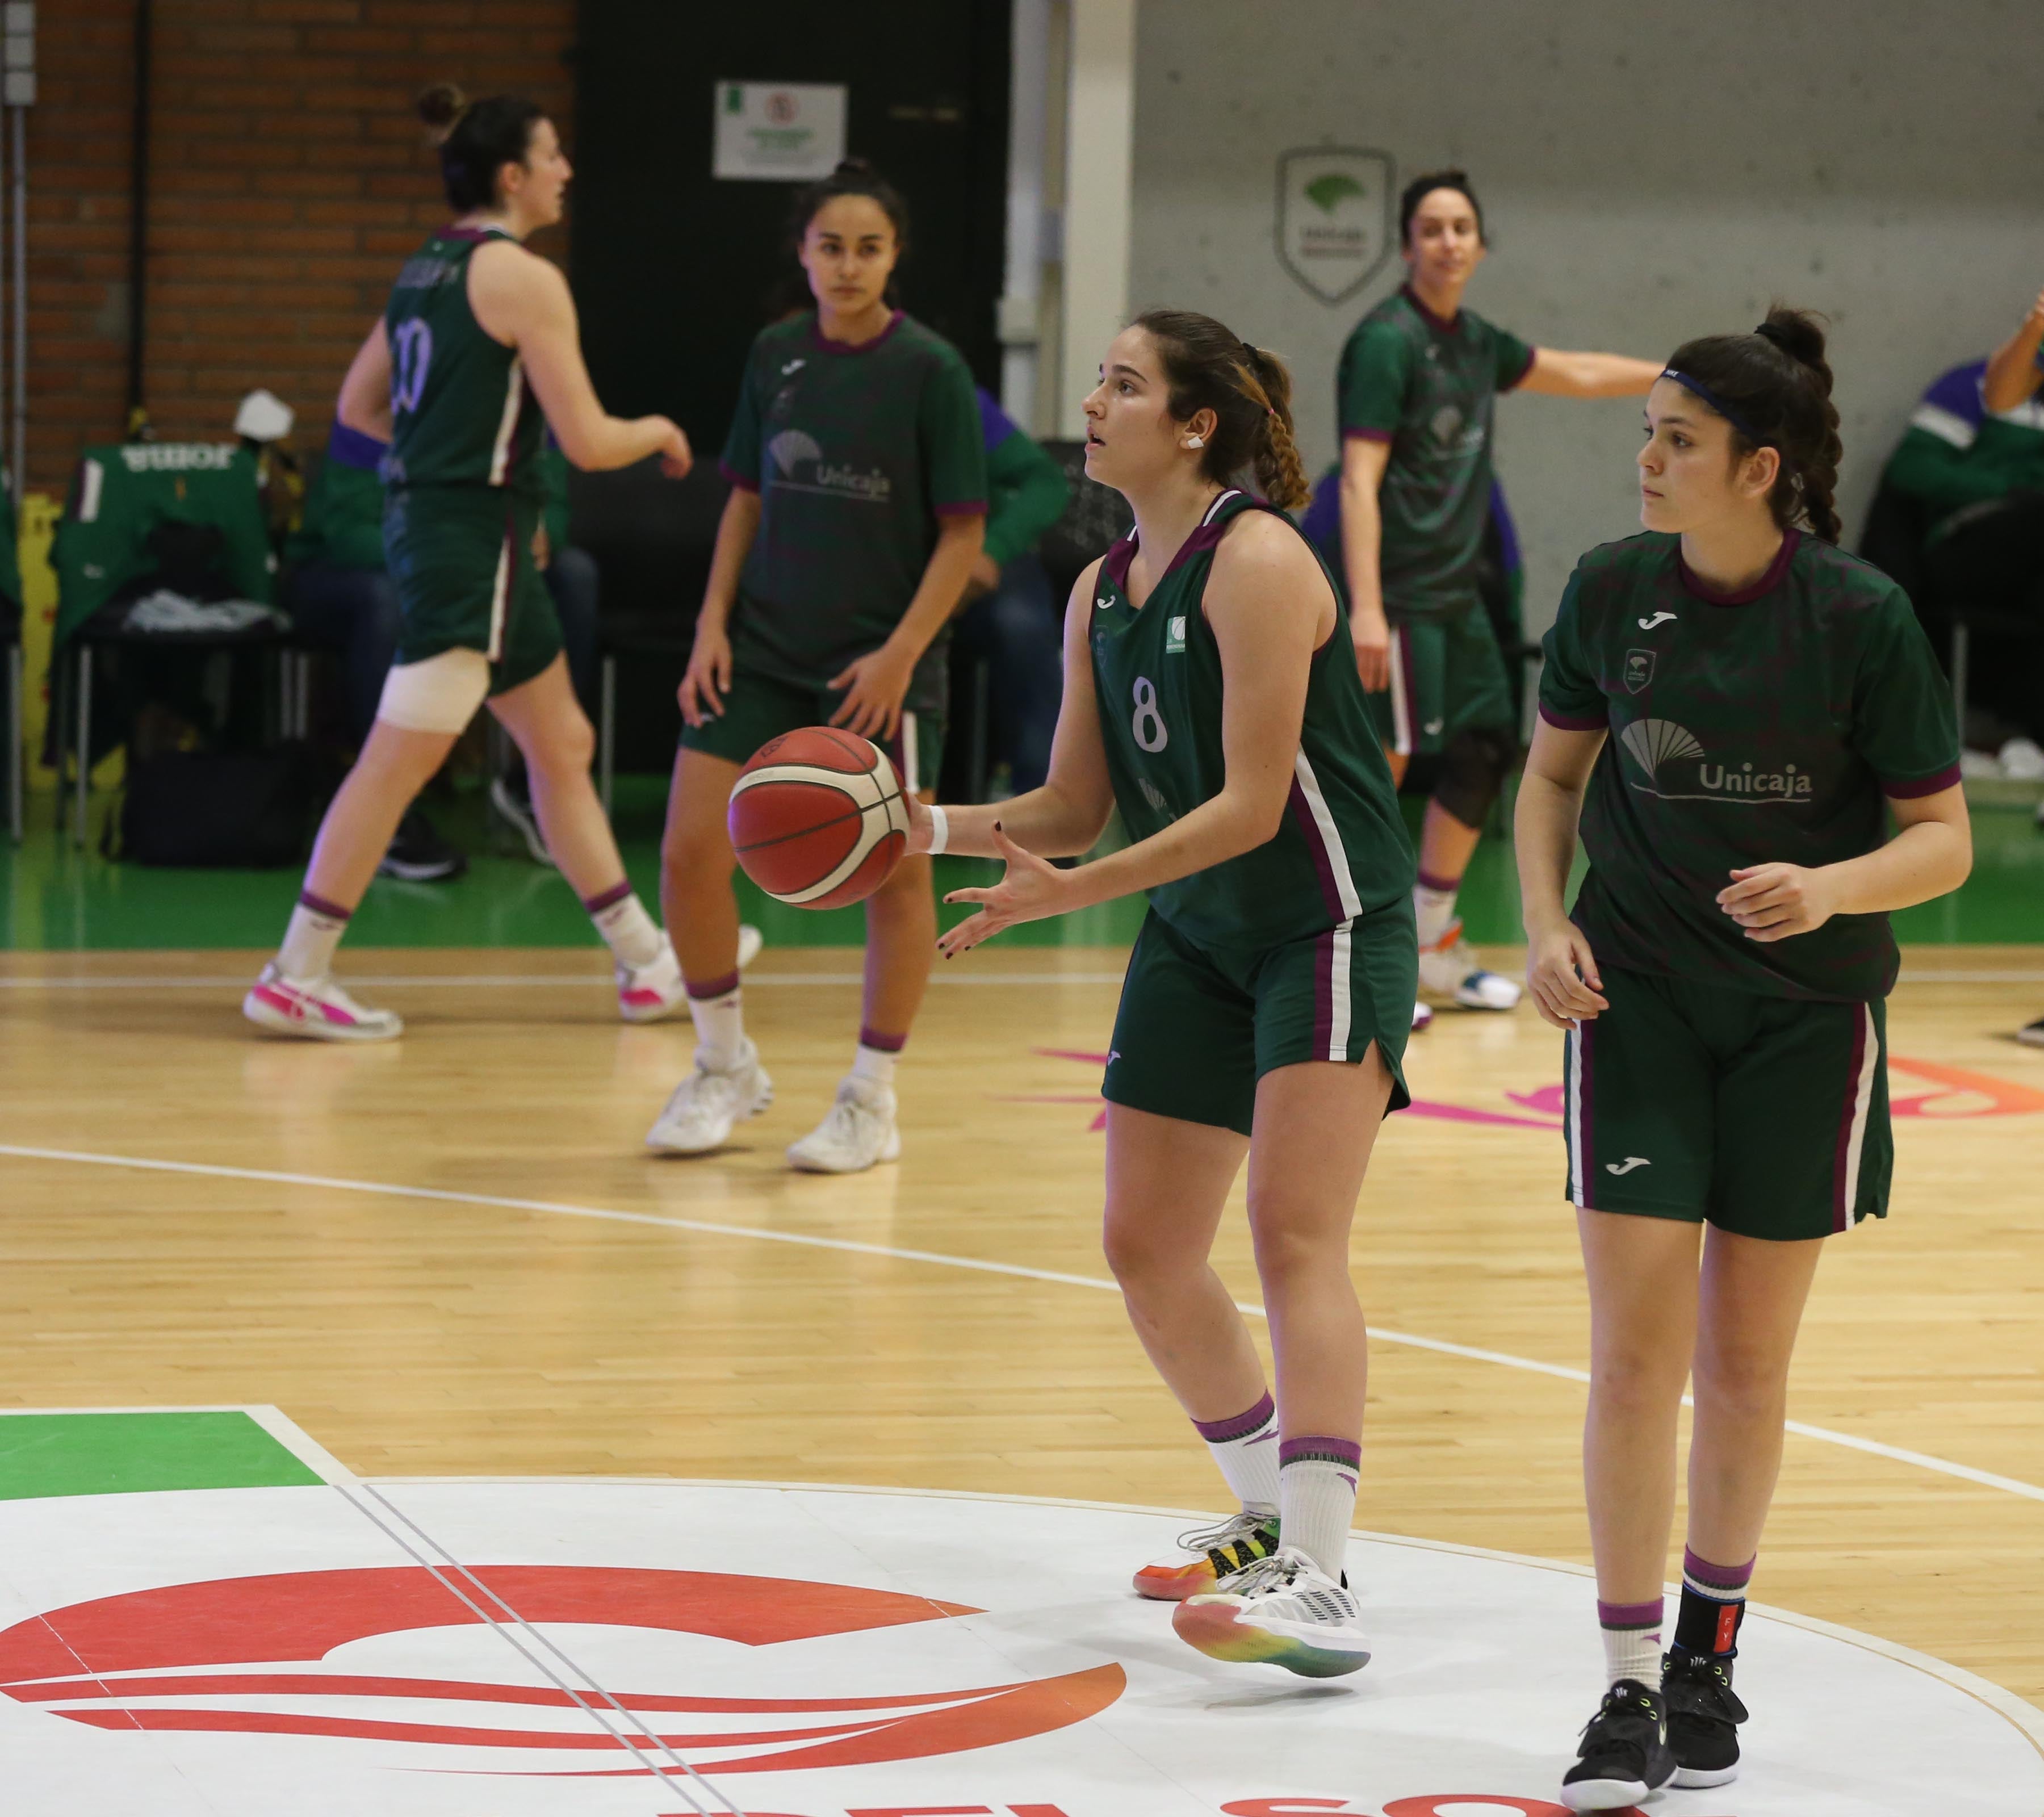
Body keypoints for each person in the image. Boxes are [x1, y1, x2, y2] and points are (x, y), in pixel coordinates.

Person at [916, 309, 1417, 1676]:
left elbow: (1254, 807)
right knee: (1145, 1243)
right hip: (1201, 931)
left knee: (1291, 1232)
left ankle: (1319, 1568)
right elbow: (1073, 802)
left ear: (1195, 425)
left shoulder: (1257, 562)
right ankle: (1260, 1510)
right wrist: (917, 823)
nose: (1092, 400)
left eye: (1123, 383)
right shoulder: (1100, 588)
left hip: (1325, 920)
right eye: (1100, 378)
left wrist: (1067, 893)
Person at [1515, 308, 1970, 1808]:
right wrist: (1539, 923)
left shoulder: (1860, 619)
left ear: (1760, 469)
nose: (1645, 461)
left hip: (1803, 1023)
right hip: (1635, 1004)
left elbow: (1943, 841)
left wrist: (1832, 886)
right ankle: (1628, 1685)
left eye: (1678, 441)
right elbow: (1552, 779)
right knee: (1634, 1358)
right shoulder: (1609, 591)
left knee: (1747, 1361)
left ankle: (1713, 1648)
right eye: (1646, 432)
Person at [244, 86, 696, 1041]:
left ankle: (647, 962)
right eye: (554, 154)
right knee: (399, 758)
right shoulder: (523, 278)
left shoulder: (425, 269)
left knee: (560, 742)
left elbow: (359, 411)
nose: (567, 169)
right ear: (512, 176)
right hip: (466, 541)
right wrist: (658, 429)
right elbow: (584, 439)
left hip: (447, 528)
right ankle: (296, 970)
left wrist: (442, 459)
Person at [651, 160, 987, 1173]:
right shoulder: (774, 355)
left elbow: (964, 534)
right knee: (687, 852)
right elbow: (746, 500)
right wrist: (711, 623)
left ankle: (871, 1100)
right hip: (761, 648)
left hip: (877, 667)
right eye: (830, 246)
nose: (848, 266)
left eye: (869, 248)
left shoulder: (931, 370)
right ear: (802, 252)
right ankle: (722, 1067)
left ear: (896, 258)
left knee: (894, 878)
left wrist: (899, 656)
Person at [1338, 169, 1661, 1014]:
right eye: (1432, 228)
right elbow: (1358, 482)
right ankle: (1364, 953)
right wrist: (1366, 606)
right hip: (1401, 595)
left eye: (1462, 228)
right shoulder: (1385, 342)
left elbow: (1580, 372)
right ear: (1407, 243)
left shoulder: (1475, 341)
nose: (1449, 242)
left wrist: (1678, 377)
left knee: (1485, 749)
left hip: (1462, 598)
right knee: (1385, 767)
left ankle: (1432, 938)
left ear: (1480, 245)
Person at [949, 388, 1071, 796]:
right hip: (895, 567)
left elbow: (1047, 483)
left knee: (1022, 628)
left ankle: (1045, 806)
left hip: (980, 559)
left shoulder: (946, 388)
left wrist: (992, 551)